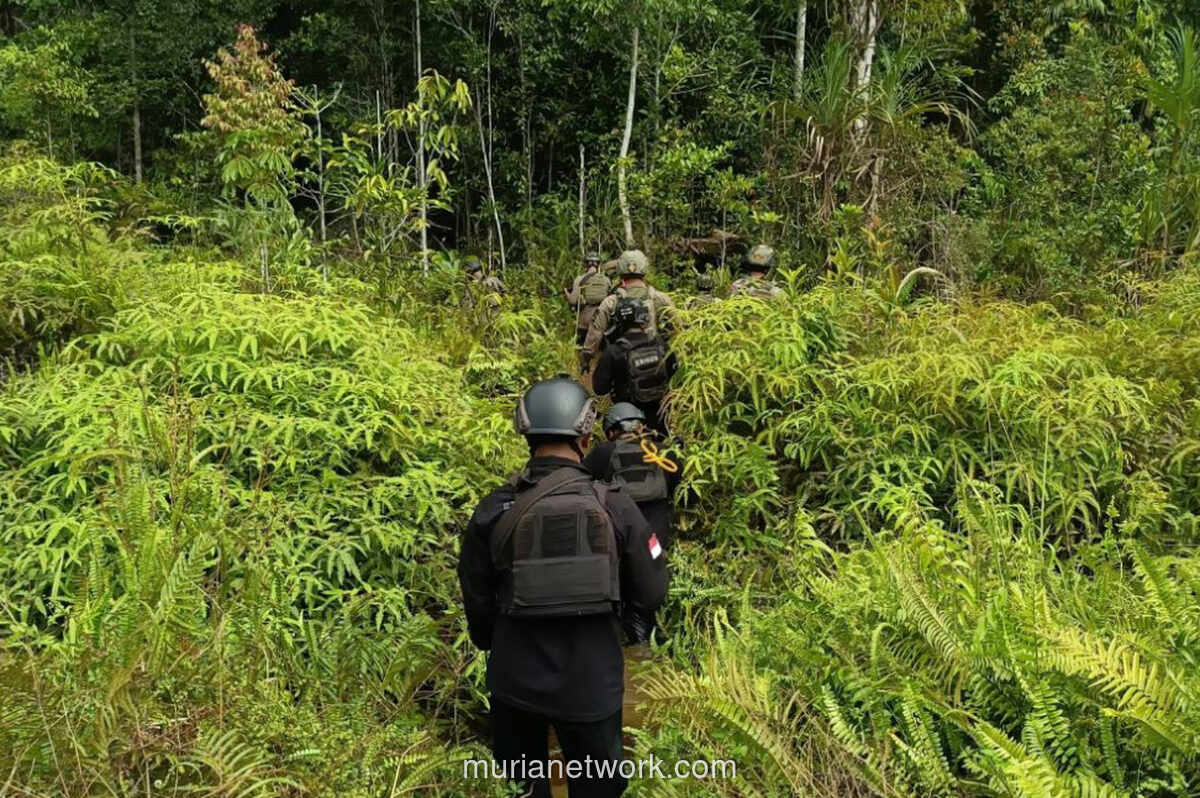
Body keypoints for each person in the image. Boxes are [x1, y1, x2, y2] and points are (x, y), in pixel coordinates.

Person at [457, 377, 668, 798]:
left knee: (523, 790)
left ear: (526, 435)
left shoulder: (494, 508)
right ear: (586, 436)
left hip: (515, 681)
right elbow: (652, 589)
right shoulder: (614, 504)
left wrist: (490, 641)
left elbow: (476, 596)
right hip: (592, 681)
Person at [583, 403, 682, 645]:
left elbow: (582, 484)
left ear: (611, 431)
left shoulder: (603, 453)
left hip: (615, 540)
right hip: (656, 542)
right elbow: (680, 488)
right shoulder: (662, 451)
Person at [580, 249, 673, 375]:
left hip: (622, 365)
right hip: (655, 363)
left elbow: (594, 334)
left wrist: (586, 360)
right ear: (645, 269)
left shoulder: (610, 302)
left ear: (620, 270)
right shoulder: (660, 298)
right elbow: (679, 328)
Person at [592, 297, 676, 434]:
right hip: (660, 415)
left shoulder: (613, 352)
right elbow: (674, 372)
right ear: (643, 317)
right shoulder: (661, 344)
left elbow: (600, 388)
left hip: (628, 420)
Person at [565, 252, 611, 347]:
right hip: (601, 321)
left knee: (581, 350)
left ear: (586, 265)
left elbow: (573, 301)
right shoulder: (606, 280)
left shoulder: (579, 279)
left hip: (584, 323)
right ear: (598, 265)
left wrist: (566, 293)